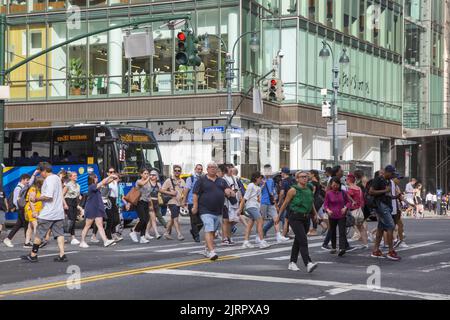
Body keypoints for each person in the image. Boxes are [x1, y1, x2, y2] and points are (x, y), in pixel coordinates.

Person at [21, 162, 67, 262]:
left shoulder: (49, 180)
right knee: (59, 234)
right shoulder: (56, 178)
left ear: (45, 171)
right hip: (58, 212)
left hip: (48, 213)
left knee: (39, 234)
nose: (40, 173)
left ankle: (33, 255)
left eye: (41, 171)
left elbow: (49, 196)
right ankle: (62, 255)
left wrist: (36, 199)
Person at [275, 171, 318, 273]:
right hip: (295, 217)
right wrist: (278, 216)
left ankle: (292, 263)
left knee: (298, 240)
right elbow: (285, 203)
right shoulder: (293, 190)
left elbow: (311, 202)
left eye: (306, 177)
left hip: (306, 218)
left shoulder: (309, 189)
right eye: (302, 177)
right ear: (297, 179)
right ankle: (308, 263)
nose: (305, 178)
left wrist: (315, 214)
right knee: (303, 240)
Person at [192, 162, 235, 260]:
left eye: (214, 167)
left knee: (213, 231)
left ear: (217, 170)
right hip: (205, 209)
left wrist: (230, 192)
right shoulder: (201, 180)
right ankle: (212, 252)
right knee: (209, 228)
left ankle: (207, 249)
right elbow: (195, 194)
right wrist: (195, 206)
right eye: (210, 167)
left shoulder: (221, 181)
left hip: (218, 211)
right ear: (207, 169)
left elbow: (228, 190)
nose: (212, 169)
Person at [369, 165, 401, 261]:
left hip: (386, 205)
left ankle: (376, 250)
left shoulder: (388, 181)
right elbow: (371, 191)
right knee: (391, 226)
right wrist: (385, 191)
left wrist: (395, 197)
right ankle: (391, 251)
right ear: (386, 172)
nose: (392, 175)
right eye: (391, 173)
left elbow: (386, 195)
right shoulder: (378, 179)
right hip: (381, 206)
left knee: (381, 228)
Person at [79, 173, 117, 248]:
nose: (97, 178)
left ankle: (106, 241)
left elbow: (104, 183)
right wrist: (110, 176)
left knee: (100, 226)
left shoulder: (95, 186)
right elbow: (102, 182)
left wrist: (113, 179)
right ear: (92, 179)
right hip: (91, 208)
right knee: (87, 225)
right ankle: (82, 241)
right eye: (95, 177)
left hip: (97, 208)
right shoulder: (92, 186)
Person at [3, 171, 38, 248]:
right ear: (23, 179)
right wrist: (21, 207)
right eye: (27, 180)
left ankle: (25, 240)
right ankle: (25, 241)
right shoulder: (18, 188)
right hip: (21, 209)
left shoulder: (22, 187)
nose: (28, 182)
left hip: (22, 208)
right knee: (25, 224)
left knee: (20, 224)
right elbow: (16, 200)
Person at [238, 172, 270, 249]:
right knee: (260, 221)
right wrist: (240, 209)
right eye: (260, 178)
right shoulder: (251, 185)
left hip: (255, 207)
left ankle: (246, 242)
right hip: (251, 206)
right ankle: (261, 241)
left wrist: (259, 209)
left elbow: (258, 200)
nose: (261, 180)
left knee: (250, 224)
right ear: (256, 178)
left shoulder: (258, 188)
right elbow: (244, 198)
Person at [324, 177, 351, 256]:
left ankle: (342, 248)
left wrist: (345, 208)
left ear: (339, 185)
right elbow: (325, 204)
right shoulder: (328, 193)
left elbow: (348, 202)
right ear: (331, 185)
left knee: (342, 232)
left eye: (337, 185)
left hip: (341, 215)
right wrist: (328, 210)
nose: (335, 186)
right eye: (334, 185)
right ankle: (334, 247)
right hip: (332, 215)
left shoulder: (343, 192)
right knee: (332, 231)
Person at [261, 164, 288, 243]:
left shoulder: (271, 180)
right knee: (261, 220)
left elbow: (273, 190)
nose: (268, 172)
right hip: (263, 201)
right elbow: (258, 190)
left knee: (276, 217)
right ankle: (259, 236)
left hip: (271, 201)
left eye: (269, 170)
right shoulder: (261, 179)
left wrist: (275, 199)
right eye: (267, 170)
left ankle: (278, 236)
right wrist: (263, 184)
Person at [161, 165, 186, 241]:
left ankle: (166, 233)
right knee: (176, 218)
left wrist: (183, 202)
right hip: (171, 201)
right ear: (173, 171)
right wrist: (171, 193)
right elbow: (161, 190)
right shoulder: (169, 180)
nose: (177, 172)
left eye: (179, 171)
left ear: (180, 172)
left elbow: (184, 193)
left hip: (178, 202)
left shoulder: (182, 181)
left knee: (172, 218)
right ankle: (179, 234)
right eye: (175, 170)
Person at [129, 168, 153, 243]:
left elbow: (148, 194)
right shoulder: (139, 181)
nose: (146, 175)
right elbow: (142, 184)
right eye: (145, 173)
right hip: (139, 202)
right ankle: (134, 231)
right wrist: (148, 178)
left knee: (146, 220)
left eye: (147, 173)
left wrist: (150, 204)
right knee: (142, 219)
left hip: (146, 202)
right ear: (141, 174)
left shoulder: (148, 183)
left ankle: (142, 237)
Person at [346, 173, 368, 249]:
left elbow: (347, 199)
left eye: (346, 179)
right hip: (359, 210)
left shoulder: (349, 188)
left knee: (345, 225)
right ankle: (365, 244)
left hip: (352, 210)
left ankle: (344, 244)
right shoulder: (359, 188)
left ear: (348, 180)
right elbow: (362, 200)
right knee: (361, 227)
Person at [183, 164, 204, 242]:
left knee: (202, 221)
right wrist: (184, 200)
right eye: (198, 169)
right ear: (195, 169)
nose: (200, 170)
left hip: (201, 202)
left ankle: (194, 231)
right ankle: (196, 236)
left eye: (201, 169)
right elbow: (186, 190)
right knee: (194, 220)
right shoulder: (190, 178)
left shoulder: (203, 178)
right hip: (191, 201)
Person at [24, 177, 44, 248]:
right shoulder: (33, 189)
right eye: (42, 182)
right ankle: (38, 242)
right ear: (39, 183)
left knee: (30, 226)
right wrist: (34, 211)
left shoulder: (38, 189)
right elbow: (31, 201)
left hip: (36, 209)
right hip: (31, 209)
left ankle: (27, 242)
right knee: (36, 225)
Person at [104, 167, 122, 242]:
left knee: (117, 220)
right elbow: (105, 183)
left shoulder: (115, 181)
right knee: (110, 219)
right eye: (110, 172)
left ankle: (112, 233)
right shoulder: (108, 181)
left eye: (113, 172)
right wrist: (111, 177)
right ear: (108, 173)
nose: (112, 173)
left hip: (114, 201)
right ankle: (109, 236)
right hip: (109, 200)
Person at [63, 171, 81, 245]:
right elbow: (62, 195)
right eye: (74, 175)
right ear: (70, 177)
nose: (76, 176)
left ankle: (63, 234)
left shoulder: (78, 185)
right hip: (68, 202)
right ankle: (73, 237)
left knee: (73, 220)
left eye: (76, 175)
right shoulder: (68, 185)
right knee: (71, 220)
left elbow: (78, 195)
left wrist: (79, 204)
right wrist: (65, 204)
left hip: (74, 203)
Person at [145, 169, 164, 240]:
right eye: (151, 175)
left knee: (150, 219)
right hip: (150, 202)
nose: (151, 176)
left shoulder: (158, 184)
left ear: (157, 176)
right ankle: (156, 233)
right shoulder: (148, 183)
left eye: (153, 175)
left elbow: (161, 191)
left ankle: (146, 233)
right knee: (153, 219)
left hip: (156, 203)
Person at [277, 167, 295, 238]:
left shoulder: (284, 181)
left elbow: (282, 193)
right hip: (295, 201)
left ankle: (284, 235)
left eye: (281, 173)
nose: (281, 174)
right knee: (288, 218)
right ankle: (285, 234)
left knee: (286, 219)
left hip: (287, 201)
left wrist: (279, 202)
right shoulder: (293, 180)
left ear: (284, 173)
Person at [392, 174, 408, 249]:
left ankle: (399, 240)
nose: (399, 180)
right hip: (391, 207)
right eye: (398, 179)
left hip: (396, 207)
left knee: (400, 225)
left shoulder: (396, 186)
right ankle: (395, 240)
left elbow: (400, 197)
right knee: (391, 226)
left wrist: (408, 203)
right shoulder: (390, 185)